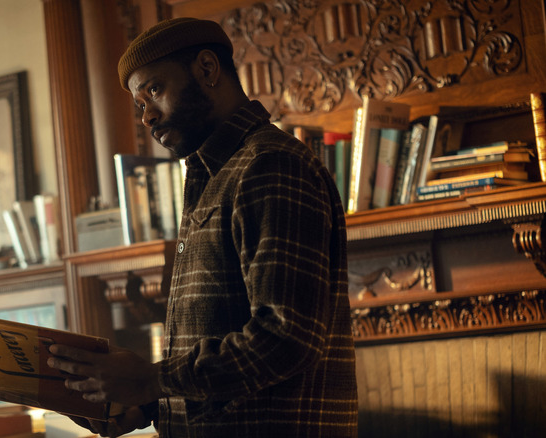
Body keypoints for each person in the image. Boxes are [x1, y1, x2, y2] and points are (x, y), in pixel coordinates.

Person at [48, 17, 358, 437]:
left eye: (154, 90)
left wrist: (149, 379)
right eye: (140, 105)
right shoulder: (213, 177)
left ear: (207, 69)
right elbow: (220, 338)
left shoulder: (270, 166)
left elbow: (287, 338)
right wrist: (146, 407)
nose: (147, 116)